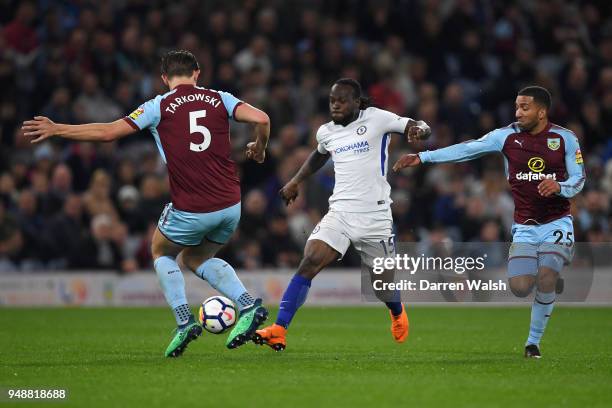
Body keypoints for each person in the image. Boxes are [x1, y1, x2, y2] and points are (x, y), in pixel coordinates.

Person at [22, 50, 270, 357]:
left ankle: (184, 321)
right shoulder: (220, 98)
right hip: (231, 204)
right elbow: (262, 118)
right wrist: (259, 148)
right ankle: (247, 305)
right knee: (195, 259)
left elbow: (109, 133)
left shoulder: (158, 106)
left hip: (192, 207)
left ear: (165, 79)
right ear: (197, 74)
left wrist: (58, 128)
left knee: (160, 251)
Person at [393, 86, 586, 358]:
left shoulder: (565, 139)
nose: (518, 112)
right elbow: (467, 149)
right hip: (525, 226)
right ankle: (548, 282)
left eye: (525, 107)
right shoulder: (505, 136)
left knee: (547, 273)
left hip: (557, 222)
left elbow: (579, 179)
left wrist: (560, 187)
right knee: (520, 288)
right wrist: (423, 157)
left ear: (542, 112)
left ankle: (532, 343)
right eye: (517, 106)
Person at [252, 78, 431, 351]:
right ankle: (279, 329)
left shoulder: (378, 118)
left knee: (381, 286)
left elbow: (416, 125)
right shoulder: (326, 132)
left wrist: (421, 131)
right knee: (310, 259)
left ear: (357, 102)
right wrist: (295, 181)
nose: (335, 104)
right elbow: (319, 155)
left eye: (342, 100)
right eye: (332, 100)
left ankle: (396, 310)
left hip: (376, 217)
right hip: (341, 212)